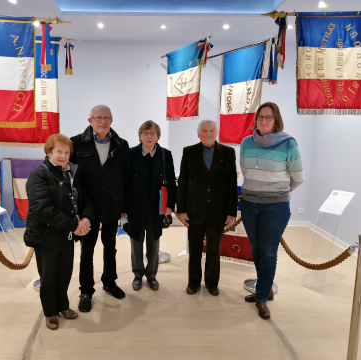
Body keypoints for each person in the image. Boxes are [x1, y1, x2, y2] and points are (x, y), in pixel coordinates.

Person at [240, 102, 304, 320]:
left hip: (275, 207)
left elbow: (298, 178)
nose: (263, 121)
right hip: (249, 204)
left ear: (276, 120)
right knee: (256, 250)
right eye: (260, 117)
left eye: (268, 117)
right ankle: (264, 289)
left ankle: (262, 298)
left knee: (268, 252)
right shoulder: (247, 142)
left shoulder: (288, 144)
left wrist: (277, 194)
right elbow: (246, 171)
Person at [24, 134, 94, 330]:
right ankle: (50, 312)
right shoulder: (40, 174)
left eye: (66, 152)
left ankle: (63, 306)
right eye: (58, 152)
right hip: (46, 236)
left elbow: (84, 199)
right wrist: (74, 225)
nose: (63, 156)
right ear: (49, 153)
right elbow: (42, 209)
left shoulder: (70, 173)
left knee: (64, 273)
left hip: (66, 235)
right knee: (48, 277)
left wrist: (86, 218)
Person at [70, 104, 131, 312]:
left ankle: (109, 282)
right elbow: (69, 176)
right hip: (87, 207)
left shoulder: (121, 145)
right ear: (90, 121)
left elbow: (126, 178)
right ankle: (86, 290)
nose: (102, 121)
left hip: (112, 205)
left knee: (110, 247)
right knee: (87, 250)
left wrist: (123, 205)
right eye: (98, 118)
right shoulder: (76, 144)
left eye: (106, 118)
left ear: (111, 121)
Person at [177, 120, 238, 296]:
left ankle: (212, 283)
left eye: (212, 130)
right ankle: (193, 282)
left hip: (217, 212)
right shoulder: (189, 152)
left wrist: (231, 212)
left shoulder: (228, 153)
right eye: (204, 130)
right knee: (194, 250)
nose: (208, 133)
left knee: (213, 250)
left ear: (217, 132)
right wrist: (181, 209)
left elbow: (231, 184)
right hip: (195, 210)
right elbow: (182, 183)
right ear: (198, 133)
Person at [125, 121, 176, 291]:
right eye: (145, 133)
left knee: (154, 240)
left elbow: (171, 182)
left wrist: (170, 205)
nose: (149, 136)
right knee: (136, 240)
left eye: (152, 133)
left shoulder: (164, 155)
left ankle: (152, 274)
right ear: (140, 135)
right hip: (135, 205)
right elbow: (123, 182)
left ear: (158, 136)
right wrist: (123, 207)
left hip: (157, 206)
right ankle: (138, 274)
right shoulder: (130, 154)